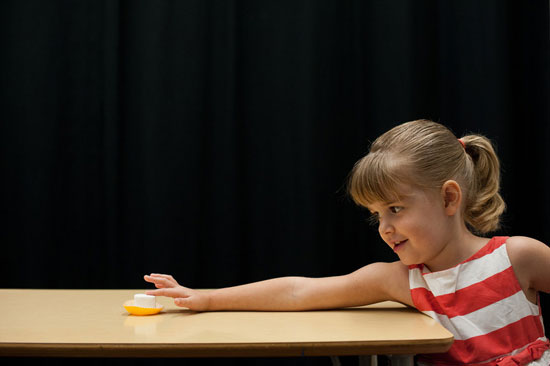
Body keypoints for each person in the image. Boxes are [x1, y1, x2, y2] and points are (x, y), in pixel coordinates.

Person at [144, 119, 550, 365]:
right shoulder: (400, 279)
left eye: (394, 209)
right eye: (375, 215)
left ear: (448, 198)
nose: (384, 227)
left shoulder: (519, 256)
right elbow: (298, 291)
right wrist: (206, 298)